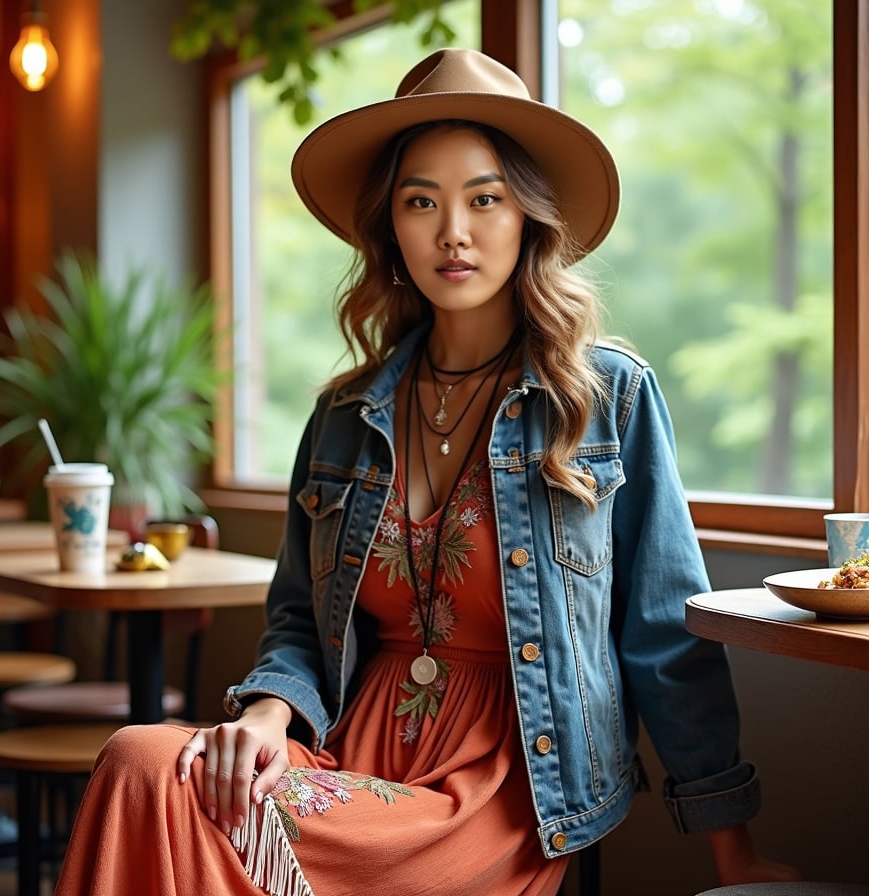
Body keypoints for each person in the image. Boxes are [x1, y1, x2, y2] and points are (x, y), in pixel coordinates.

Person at [56, 48, 801, 896]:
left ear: (528, 217)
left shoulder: (603, 397)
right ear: (391, 228)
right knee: (145, 761)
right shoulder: (344, 415)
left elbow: (666, 636)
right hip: (345, 761)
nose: (454, 231)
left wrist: (732, 848)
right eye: (421, 202)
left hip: (503, 796)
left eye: (485, 198)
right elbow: (298, 617)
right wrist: (266, 714)